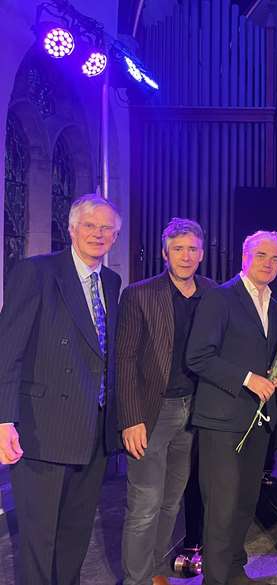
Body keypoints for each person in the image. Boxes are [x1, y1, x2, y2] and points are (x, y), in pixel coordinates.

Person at [0, 193, 122, 585]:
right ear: (71, 229)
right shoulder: (36, 273)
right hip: (42, 428)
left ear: (115, 237)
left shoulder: (112, 281)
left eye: (106, 228)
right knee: (39, 542)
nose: (97, 234)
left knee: (75, 538)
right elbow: (8, 351)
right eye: (89, 225)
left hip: (93, 433)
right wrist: (3, 420)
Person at [186, 230, 277, 585]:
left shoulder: (274, 304)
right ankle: (215, 578)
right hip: (222, 419)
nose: (268, 263)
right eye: (261, 255)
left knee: (245, 503)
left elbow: (263, 357)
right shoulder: (220, 297)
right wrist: (248, 378)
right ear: (245, 256)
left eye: (275, 258)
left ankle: (232, 568)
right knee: (221, 506)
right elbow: (197, 356)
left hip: (257, 420)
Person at [117, 218, 216, 585]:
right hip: (150, 413)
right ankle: (136, 579)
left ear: (202, 253)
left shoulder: (212, 292)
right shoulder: (140, 294)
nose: (186, 256)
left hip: (194, 412)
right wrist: (130, 418)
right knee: (143, 505)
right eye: (178, 249)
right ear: (165, 253)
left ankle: (157, 569)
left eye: (192, 249)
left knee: (171, 503)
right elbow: (124, 359)